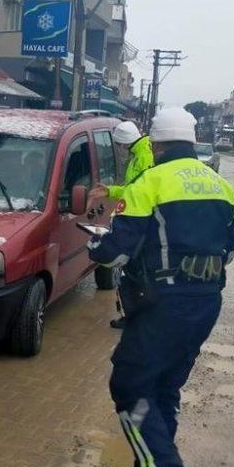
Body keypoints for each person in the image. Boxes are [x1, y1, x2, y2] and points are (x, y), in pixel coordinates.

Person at [87, 106, 234, 467]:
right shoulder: (224, 187)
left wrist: (96, 247)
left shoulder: (150, 182)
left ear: (155, 145)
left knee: (129, 384)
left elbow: (117, 252)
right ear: (192, 143)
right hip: (207, 302)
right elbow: (229, 248)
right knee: (165, 388)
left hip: (162, 304)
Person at [89, 121, 154, 329]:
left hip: (139, 220)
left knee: (133, 275)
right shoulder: (140, 153)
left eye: (118, 144)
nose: (118, 149)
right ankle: (134, 317)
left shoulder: (144, 158)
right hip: (140, 218)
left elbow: (137, 192)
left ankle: (135, 319)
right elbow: (130, 188)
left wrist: (112, 192)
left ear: (124, 143)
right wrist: (110, 191)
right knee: (133, 275)